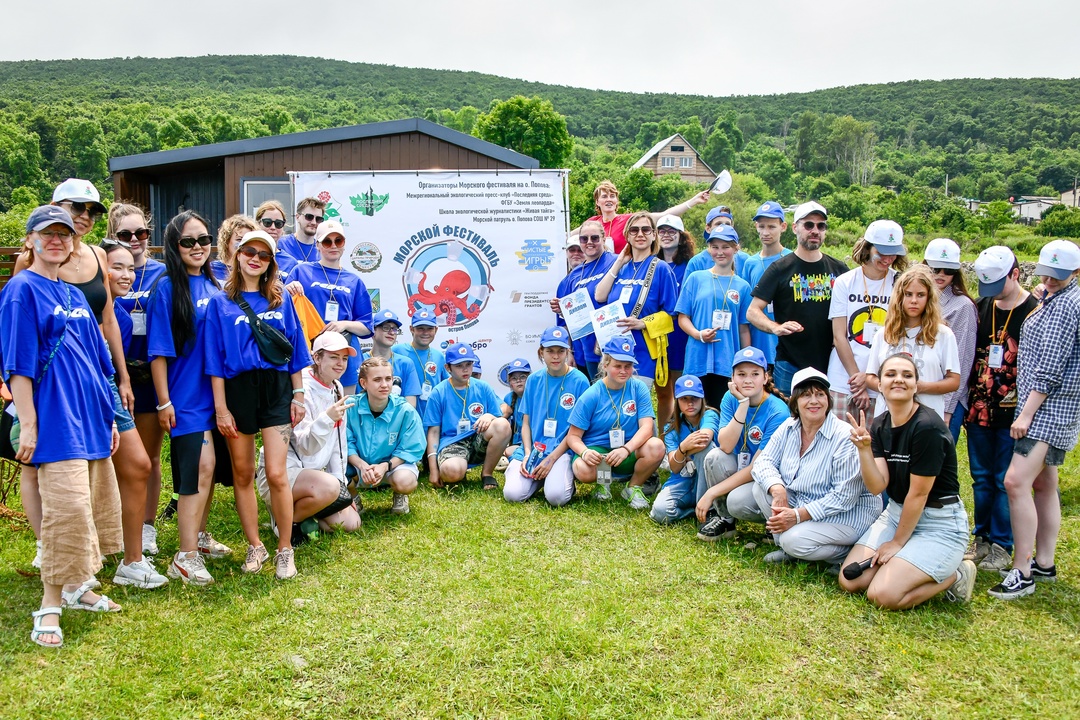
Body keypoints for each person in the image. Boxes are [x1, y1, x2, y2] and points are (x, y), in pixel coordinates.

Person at [14, 184, 161, 589]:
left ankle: (129, 560)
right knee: (52, 471)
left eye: (92, 211)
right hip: (55, 385)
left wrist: (123, 376)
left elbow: (109, 319)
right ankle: (58, 553)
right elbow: (19, 331)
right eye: (75, 208)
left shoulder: (97, 255)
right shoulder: (37, 260)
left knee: (136, 464)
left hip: (99, 379)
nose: (84, 216)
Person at [2, 206, 125, 647]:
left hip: (90, 416)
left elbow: (98, 360)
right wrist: (29, 425)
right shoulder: (21, 290)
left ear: (74, 242)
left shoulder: (74, 295)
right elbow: (17, 365)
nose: (57, 240)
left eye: (64, 234)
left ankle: (79, 587)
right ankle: (49, 606)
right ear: (31, 240)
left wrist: (109, 415)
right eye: (47, 233)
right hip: (54, 420)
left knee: (90, 506)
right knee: (67, 511)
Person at [204, 230, 312, 580]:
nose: (255, 258)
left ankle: (285, 547)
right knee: (242, 472)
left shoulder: (281, 299)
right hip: (238, 390)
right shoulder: (221, 303)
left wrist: (299, 394)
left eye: (263, 255)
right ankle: (255, 545)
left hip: (277, 389)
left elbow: (295, 352)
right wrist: (221, 408)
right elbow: (214, 362)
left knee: (277, 474)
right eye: (248, 251)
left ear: (271, 263)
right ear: (236, 255)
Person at [841, 354, 977, 608]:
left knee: (882, 595)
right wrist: (864, 451)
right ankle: (909, 563)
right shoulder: (880, 424)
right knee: (850, 580)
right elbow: (877, 486)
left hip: (939, 523)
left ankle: (956, 573)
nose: (898, 380)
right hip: (896, 513)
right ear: (879, 385)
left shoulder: (928, 427)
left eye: (907, 375)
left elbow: (919, 495)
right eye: (890, 374)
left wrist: (896, 544)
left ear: (916, 385)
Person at [989, 239, 1080, 599]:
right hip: (1056, 407)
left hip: (1045, 408)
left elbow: (1049, 369)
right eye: (1048, 274)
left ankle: (1022, 569)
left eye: (1060, 275)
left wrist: (1025, 414)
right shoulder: (1057, 300)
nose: (1051, 280)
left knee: (1015, 482)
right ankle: (1044, 562)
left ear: (1076, 272)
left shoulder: (1063, 308)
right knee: (1044, 484)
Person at [147, 211, 231, 585]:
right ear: (174, 247)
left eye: (203, 240)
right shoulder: (166, 288)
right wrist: (164, 402)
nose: (197, 247)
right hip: (184, 398)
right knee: (199, 468)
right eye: (188, 242)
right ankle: (184, 556)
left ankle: (197, 536)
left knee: (208, 472)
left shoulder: (216, 287)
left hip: (216, 398)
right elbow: (159, 352)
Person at [730, 368, 880, 567]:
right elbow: (763, 463)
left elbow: (844, 497)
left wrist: (798, 515)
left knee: (794, 540)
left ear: (828, 399)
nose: (814, 401)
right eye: (806, 395)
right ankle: (791, 547)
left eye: (820, 394)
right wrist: (778, 488)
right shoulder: (789, 426)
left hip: (848, 513)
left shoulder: (844, 435)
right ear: (795, 401)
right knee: (755, 491)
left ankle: (846, 553)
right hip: (805, 499)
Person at [964, 247, 1038, 572]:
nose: (992, 294)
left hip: (1015, 414)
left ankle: (1001, 544)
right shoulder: (982, 307)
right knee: (980, 478)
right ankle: (980, 538)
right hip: (979, 408)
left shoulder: (1034, 312)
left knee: (1003, 480)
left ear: (1015, 273)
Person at [259, 331, 363, 537]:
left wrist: (342, 491)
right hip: (283, 475)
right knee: (330, 488)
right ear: (316, 357)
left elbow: (338, 445)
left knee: (352, 522)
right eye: (333, 357)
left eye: (344, 358)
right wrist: (327, 418)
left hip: (314, 479)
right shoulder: (300, 388)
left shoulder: (337, 386)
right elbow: (305, 446)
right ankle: (285, 522)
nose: (340, 363)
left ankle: (304, 515)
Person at [109, 201, 170, 546]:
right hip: (117, 373)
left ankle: (146, 526)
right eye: (126, 234)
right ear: (113, 236)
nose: (135, 239)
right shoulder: (107, 271)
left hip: (150, 373)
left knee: (148, 456)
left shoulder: (161, 272)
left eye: (142, 233)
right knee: (118, 457)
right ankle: (117, 524)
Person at [748, 201, 848, 396]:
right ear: (795, 228)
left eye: (821, 226)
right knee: (789, 419)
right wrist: (775, 327)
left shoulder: (839, 269)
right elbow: (752, 311)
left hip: (832, 361)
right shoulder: (780, 268)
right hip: (790, 362)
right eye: (808, 225)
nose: (815, 231)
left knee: (826, 421)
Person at [694, 347, 790, 540]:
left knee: (736, 502)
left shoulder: (778, 411)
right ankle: (726, 521)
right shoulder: (731, 397)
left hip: (766, 477)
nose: (747, 380)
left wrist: (712, 492)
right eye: (741, 374)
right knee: (714, 457)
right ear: (732, 377)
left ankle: (772, 521)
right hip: (739, 464)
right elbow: (726, 446)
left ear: (765, 378)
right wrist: (743, 405)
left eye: (755, 374)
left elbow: (757, 467)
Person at [565, 336, 665, 509]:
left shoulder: (638, 387)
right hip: (600, 454)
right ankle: (603, 483)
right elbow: (573, 436)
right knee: (582, 469)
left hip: (627, 451)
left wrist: (626, 449)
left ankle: (633, 487)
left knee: (656, 446)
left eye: (628, 366)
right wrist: (586, 453)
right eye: (617, 366)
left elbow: (647, 428)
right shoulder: (592, 394)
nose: (623, 371)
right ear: (605, 365)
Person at [827, 220, 907, 420]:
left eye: (893, 253)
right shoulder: (845, 282)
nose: (888, 259)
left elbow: (900, 334)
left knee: (875, 446)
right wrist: (857, 379)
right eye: (881, 252)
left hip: (883, 379)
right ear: (868, 248)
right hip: (843, 379)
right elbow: (839, 336)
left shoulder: (900, 283)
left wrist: (871, 378)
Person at [503, 327, 590, 506]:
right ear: (541, 352)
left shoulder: (580, 381)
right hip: (534, 449)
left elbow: (577, 432)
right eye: (550, 351)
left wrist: (551, 459)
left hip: (562, 450)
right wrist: (527, 454)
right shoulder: (534, 380)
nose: (555, 356)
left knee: (556, 498)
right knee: (512, 495)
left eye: (560, 351)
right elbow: (526, 423)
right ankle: (540, 477)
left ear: (568, 352)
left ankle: (556, 478)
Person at [284, 220, 374, 394]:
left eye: (338, 241)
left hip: (343, 352)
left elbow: (366, 327)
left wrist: (344, 324)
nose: (333, 246)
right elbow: (283, 308)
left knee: (343, 408)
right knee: (309, 408)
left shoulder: (354, 281)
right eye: (327, 241)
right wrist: (287, 289)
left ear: (344, 244)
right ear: (318, 245)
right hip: (309, 351)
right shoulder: (300, 271)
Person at [593, 212, 678, 386]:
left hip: (643, 350)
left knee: (634, 404)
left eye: (646, 230)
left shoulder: (661, 268)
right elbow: (600, 296)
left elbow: (672, 313)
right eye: (634, 230)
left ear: (654, 235)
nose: (640, 234)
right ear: (627, 236)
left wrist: (644, 323)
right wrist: (619, 261)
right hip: (614, 350)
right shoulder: (621, 267)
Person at [865, 265, 960, 420]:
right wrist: (893, 388)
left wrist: (922, 387)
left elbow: (954, 381)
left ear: (929, 298)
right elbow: (870, 376)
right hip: (888, 416)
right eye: (908, 294)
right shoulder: (883, 334)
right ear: (899, 297)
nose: (914, 301)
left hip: (927, 419)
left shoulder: (943, 334)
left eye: (920, 295)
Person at [675, 224, 752, 408]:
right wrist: (698, 334)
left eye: (726, 247)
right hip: (697, 360)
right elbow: (683, 317)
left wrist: (746, 363)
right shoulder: (696, 278)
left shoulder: (743, 287)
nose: (720, 252)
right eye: (715, 247)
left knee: (722, 414)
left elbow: (743, 329)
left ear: (735, 248)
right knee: (694, 413)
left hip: (727, 362)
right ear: (709, 249)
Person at [347, 355, 427, 515]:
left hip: (392, 467)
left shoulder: (405, 411)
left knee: (405, 481)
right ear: (363, 383)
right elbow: (345, 443)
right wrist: (362, 466)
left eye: (388, 379)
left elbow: (411, 448)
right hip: (359, 467)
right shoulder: (349, 407)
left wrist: (385, 466)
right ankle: (353, 498)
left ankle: (400, 494)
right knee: (335, 473)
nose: (384, 385)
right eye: (377, 380)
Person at [423, 344, 511, 491]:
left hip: (478, 438)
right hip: (452, 443)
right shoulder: (438, 392)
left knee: (502, 425)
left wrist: (489, 416)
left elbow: (499, 416)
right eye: (459, 365)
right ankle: (458, 467)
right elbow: (433, 432)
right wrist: (433, 470)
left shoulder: (483, 387)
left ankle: (487, 474)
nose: (465, 369)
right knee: (451, 473)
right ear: (448, 368)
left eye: (469, 364)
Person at [922, 238, 977, 440]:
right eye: (936, 269)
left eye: (948, 270)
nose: (941, 275)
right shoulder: (918, 298)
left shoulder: (962, 306)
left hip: (947, 398)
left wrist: (947, 409)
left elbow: (962, 360)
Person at [649, 375, 720, 525]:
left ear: (702, 398)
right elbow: (674, 468)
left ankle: (708, 510)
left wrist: (681, 453)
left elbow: (704, 440)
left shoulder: (710, 414)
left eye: (694, 398)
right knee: (659, 512)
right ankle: (692, 510)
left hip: (708, 481)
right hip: (682, 481)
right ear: (677, 401)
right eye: (684, 399)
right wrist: (683, 447)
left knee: (706, 450)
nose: (690, 403)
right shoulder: (671, 428)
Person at [551, 219, 616, 379]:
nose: (589, 242)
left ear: (603, 238)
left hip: (612, 344)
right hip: (586, 349)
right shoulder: (574, 275)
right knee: (595, 396)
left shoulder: (615, 262)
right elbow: (567, 321)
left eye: (594, 238)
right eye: (584, 239)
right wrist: (563, 310)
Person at [573, 179, 709, 253]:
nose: (609, 199)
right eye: (604, 196)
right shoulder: (592, 223)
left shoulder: (627, 220)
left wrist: (693, 201)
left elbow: (662, 215)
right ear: (597, 202)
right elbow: (567, 235)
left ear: (616, 201)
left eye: (612, 196)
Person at [654, 214, 695, 429]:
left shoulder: (690, 266)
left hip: (681, 336)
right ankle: (663, 437)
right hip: (657, 337)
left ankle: (683, 436)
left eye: (672, 231)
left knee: (682, 390)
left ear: (681, 236)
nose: (666, 235)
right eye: (662, 231)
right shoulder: (651, 265)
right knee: (662, 392)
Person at [740, 201, 791, 368]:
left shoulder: (792, 259)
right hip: (759, 341)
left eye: (771, 227)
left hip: (787, 344)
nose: (765, 232)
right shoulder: (750, 263)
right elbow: (746, 305)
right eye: (761, 226)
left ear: (783, 227)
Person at [392, 310, 447, 420]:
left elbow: (446, 388)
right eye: (420, 328)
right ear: (411, 329)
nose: (425, 332)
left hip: (432, 419)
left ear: (436, 330)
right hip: (402, 419)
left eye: (430, 328)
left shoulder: (439, 357)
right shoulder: (396, 351)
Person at [362, 310, 421, 406]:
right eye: (386, 328)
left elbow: (411, 405)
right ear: (373, 331)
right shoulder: (360, 361)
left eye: (394, 329)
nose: (391, 332)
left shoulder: (406, 363)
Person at [685, 206, 751, 277]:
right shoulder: (696, 263)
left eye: (727, 224)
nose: (723, 227)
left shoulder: (745, 260)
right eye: (718, 224)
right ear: (708, 228)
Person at [277, 196, 327, 266]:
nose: (314, 222)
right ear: (297, 217)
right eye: (309, 217)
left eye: (318, 219)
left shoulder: (323, 251)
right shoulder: (281, 244)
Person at [499, 357, 531, 463]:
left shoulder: (536, 396)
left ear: (530, 378)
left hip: (533, 441)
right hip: (517, 442)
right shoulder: (508, 398)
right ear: (510, 383)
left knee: (507, 452)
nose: (518, 381)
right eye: (514, 378)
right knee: (506, 450)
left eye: (523, 377)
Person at [255, 200, 296, 277]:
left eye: (278, 223)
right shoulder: (249, 256)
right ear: (258, 224)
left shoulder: (290, 263)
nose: (273, 227)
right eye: (267, 222)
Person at [212, 214, 256, 282]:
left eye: (248, 240)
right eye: (239, 239)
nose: (243, 244)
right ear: (226, 241)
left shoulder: (254, 269)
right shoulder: (211, 269)